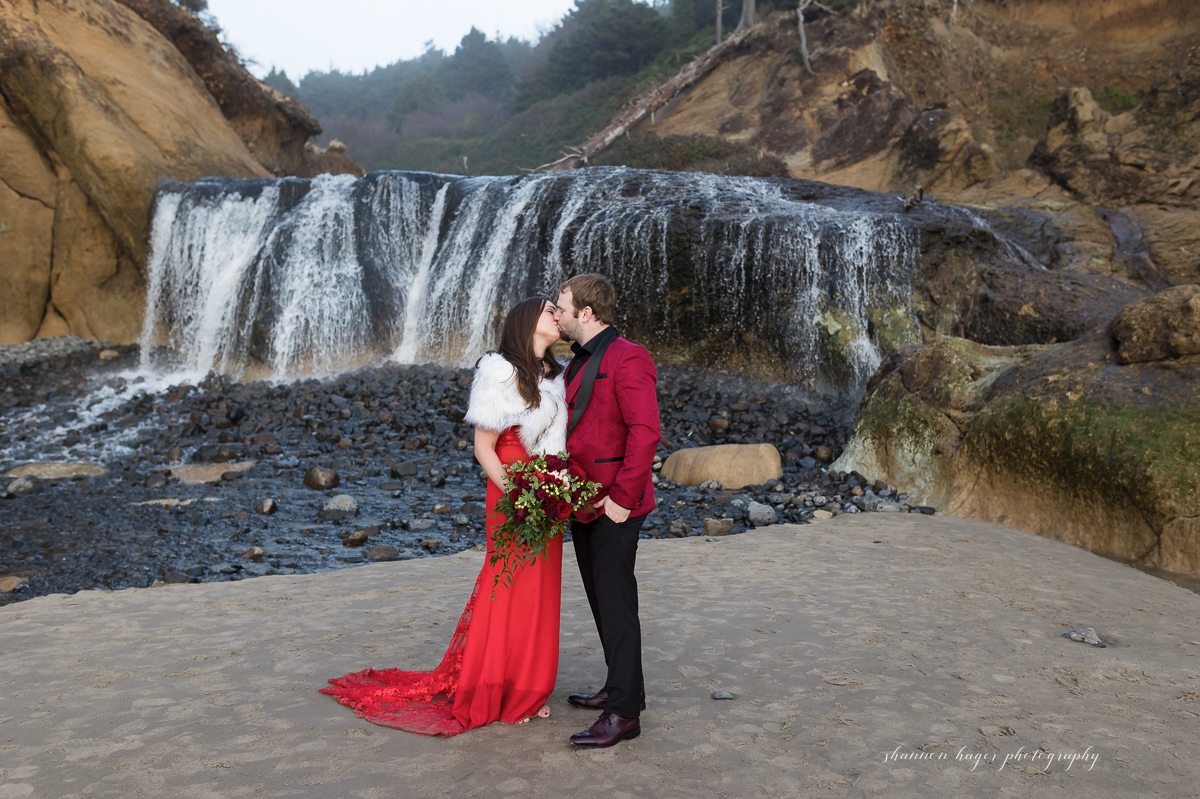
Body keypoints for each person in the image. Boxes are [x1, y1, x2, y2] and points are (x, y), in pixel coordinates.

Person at [320, 296, 567, 735]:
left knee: (541, 587)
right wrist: (518, 493)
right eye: (550, 310)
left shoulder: (556, 375)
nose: (557, 316)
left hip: (546, 492)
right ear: (530, 321)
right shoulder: (499, 372)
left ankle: (530, 688)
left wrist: (552, 489)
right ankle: (495, 687)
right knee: (507, 585)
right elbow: (483, 449)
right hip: (512, 492)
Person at [553, 274, 661, 748]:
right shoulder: (576, 362)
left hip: (615, 503)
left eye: (561, 307)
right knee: (602, 601)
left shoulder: (629, 356)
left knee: (617, 606)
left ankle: (624, 715)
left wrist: (621, 499)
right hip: (581, 501)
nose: (555, 315)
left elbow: (645, 431)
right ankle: (621, 688)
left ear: (586, 313)